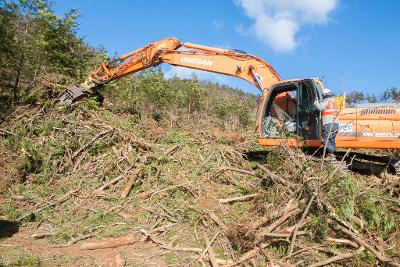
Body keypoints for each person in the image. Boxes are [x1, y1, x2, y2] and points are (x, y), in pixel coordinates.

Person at [314, 88, 340, 158]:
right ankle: (331, 153)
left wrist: (316, 102)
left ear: (324, 95)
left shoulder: (326, 101)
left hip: (328, 123)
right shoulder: (334, 102)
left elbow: (320, 107)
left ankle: (330, 153)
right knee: (332, 139)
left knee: (325, 139)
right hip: (336, 124)